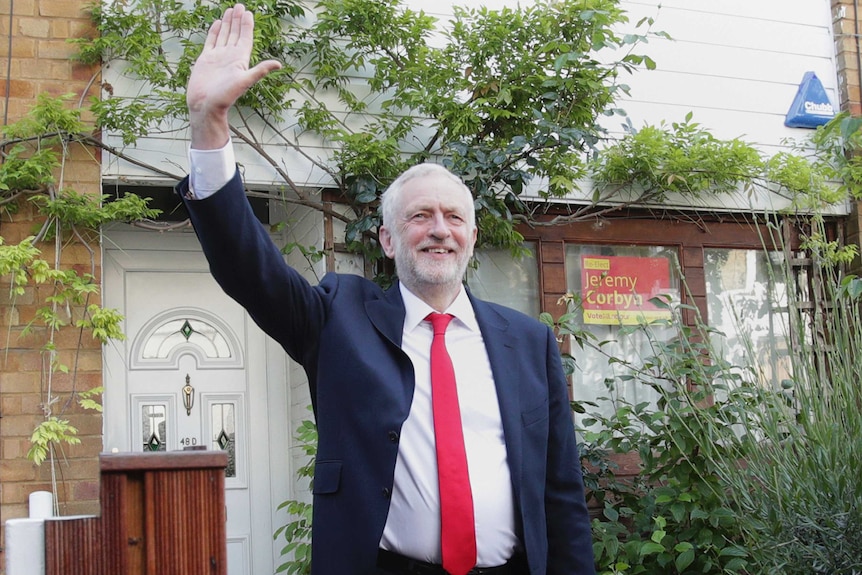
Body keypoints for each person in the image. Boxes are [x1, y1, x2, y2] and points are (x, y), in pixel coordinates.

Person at [178, 4, 596, 574]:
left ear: (472, 236)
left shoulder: (528, 342)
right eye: (419, 216)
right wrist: (208, 125)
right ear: (389, 239)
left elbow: (560, 491)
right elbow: (251, 272)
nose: (439, 229)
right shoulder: (338, 319)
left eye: (453, 217)